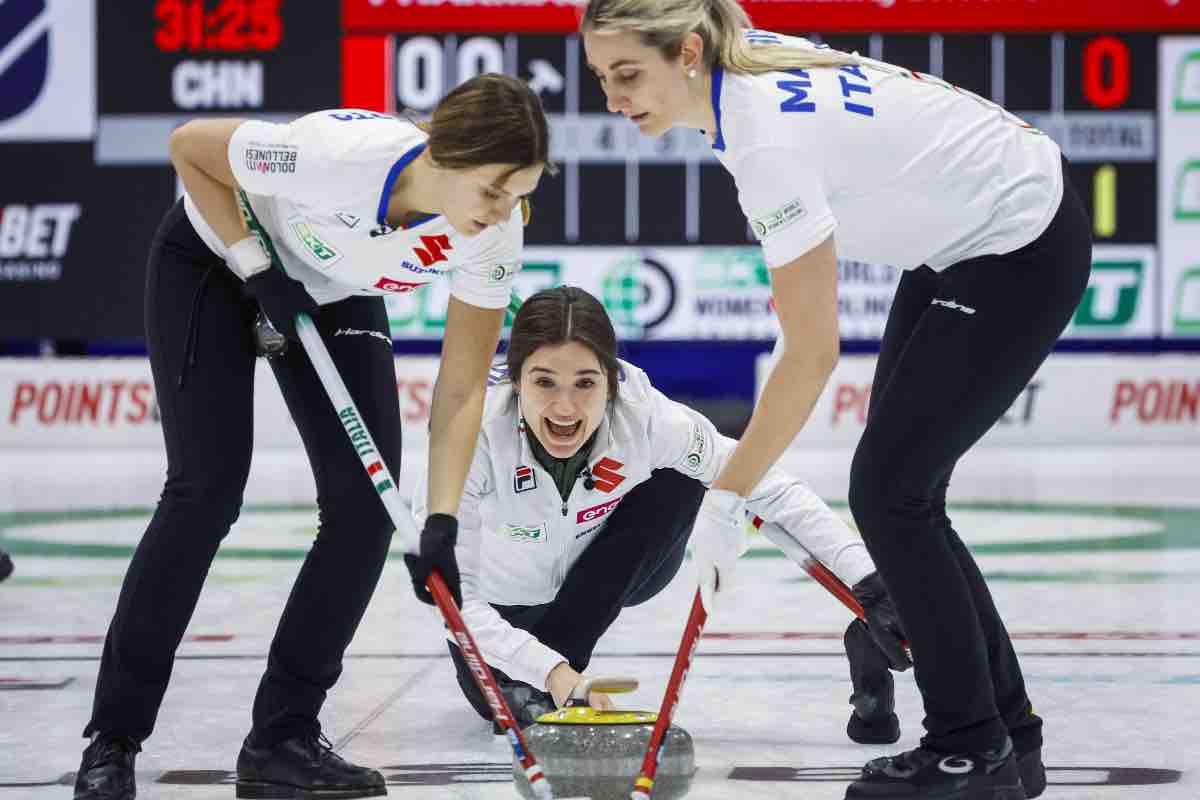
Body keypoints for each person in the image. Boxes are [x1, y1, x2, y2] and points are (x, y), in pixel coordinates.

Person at [581, 3, 1092, 799]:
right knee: (905, 493)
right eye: (601, 78)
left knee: (890, 493)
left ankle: (968, 751)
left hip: (1020, 237)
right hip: (961, 237)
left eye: (625, 75)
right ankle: (1005, 739)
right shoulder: (735, 63)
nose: (611, 98)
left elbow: (813, 351)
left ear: (686, 52)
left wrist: (729, 494)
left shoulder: (762, 140)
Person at [73, 74, 551, 800]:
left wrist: (444, 523)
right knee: (205, 492)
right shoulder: (338, 155)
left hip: (331, 289)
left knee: (365, 512)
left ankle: (283, 736)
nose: (504, 211)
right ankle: (114, 737)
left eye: (519, 192)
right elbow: (190, 149)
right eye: (493, 190)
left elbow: (458, 390)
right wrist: (255, 265)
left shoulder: (494, 232)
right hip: (213, 257)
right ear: (447, 153)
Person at [412, 286, 910, 745]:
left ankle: (562, 655)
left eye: (586, 383)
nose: (565, 407)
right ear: (516, 381)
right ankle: (550, 666)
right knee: (499, 704)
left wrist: (869, 583)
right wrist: (553, 672)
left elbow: (767, 484)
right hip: (505, 610)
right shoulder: (472, 436)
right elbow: (458, 602)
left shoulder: (644, 416)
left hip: (617, 574)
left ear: (610, 382)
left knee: (696, 471)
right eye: (544, 382)